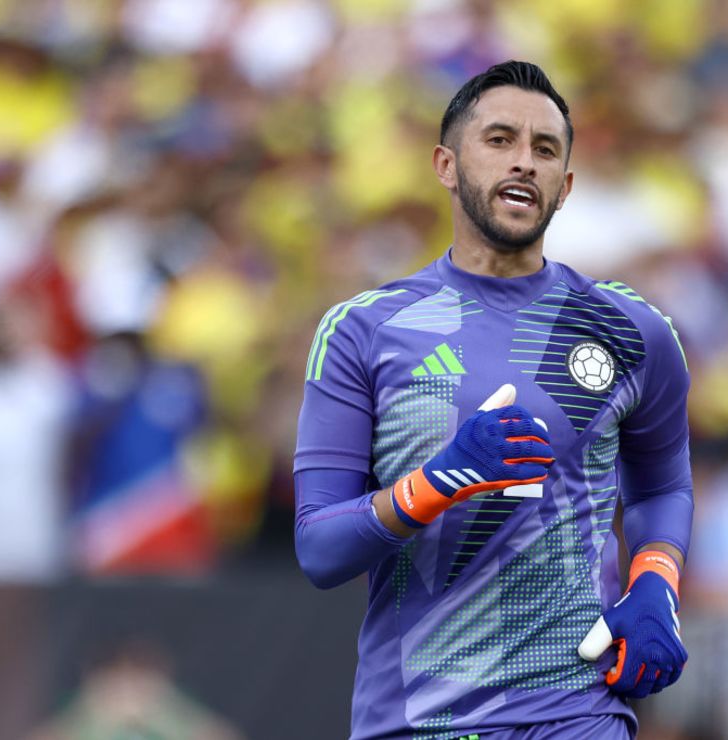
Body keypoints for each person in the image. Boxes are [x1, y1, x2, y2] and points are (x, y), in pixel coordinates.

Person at [293, 61, 693, 740]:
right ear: (446, 165)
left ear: (565, 187)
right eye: (500, 140)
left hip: (575, 712)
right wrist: (435, 484)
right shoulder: (365, 331)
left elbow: (662, 486)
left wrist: (656, 581)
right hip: (417, 719)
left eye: (545, 150)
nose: (524, 162)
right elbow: (320, 549)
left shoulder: (633, 331)